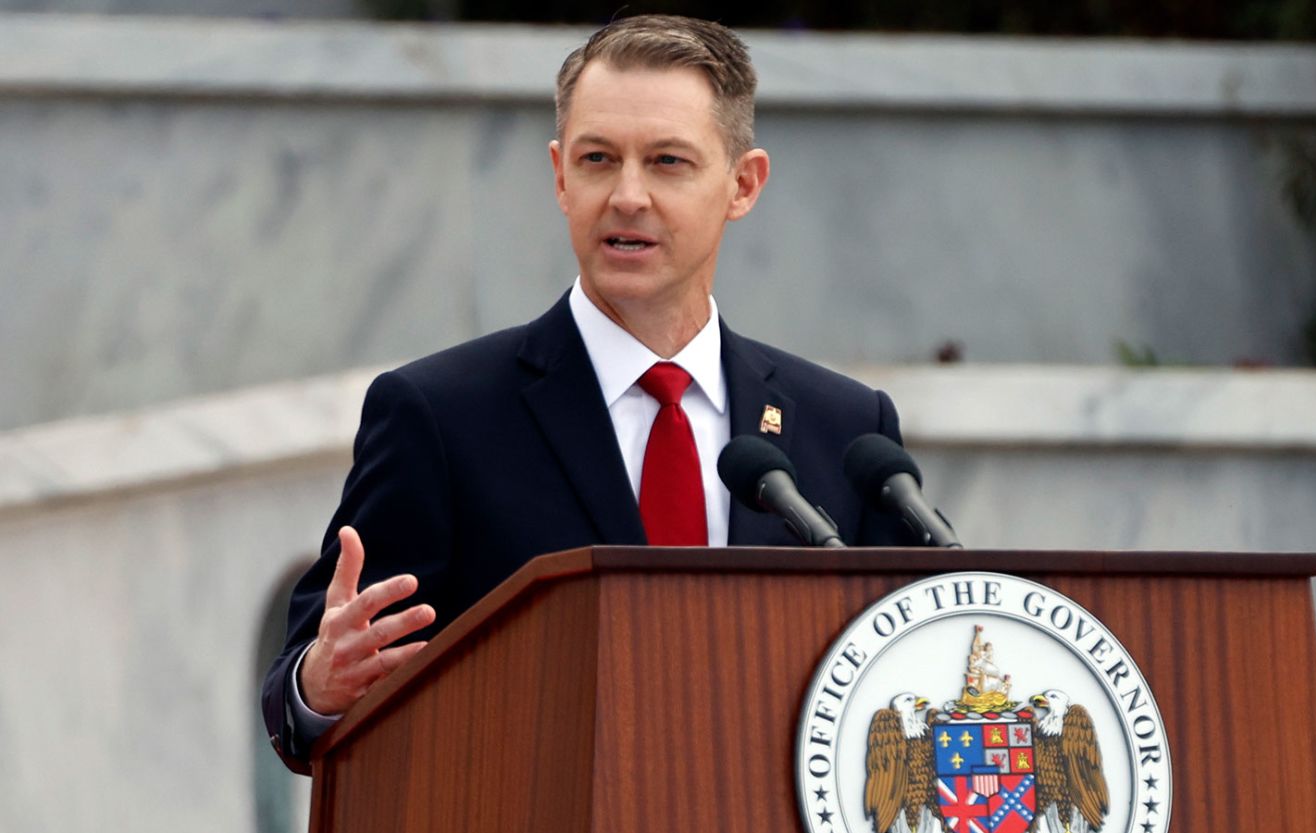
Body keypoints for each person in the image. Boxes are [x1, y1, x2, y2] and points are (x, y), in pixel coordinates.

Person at [261, 13, 913, 769]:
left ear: (743, 184)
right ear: (561, 176)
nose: (627, 195)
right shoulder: (440, 415)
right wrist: (321, 681)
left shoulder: (846, 429)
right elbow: (302, 688)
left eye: (668, 162)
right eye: (599, 159)